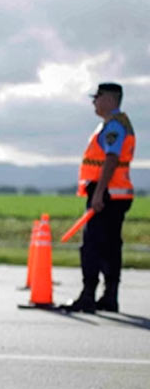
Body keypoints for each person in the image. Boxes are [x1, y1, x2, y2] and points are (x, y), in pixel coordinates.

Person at [62, 82, 135, 313]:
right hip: (116, 194)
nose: (94, 102)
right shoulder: (118, 124)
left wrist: (100, 191)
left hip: (106, 195)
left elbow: (111, 159)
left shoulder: (114, 126)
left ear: (110, 100)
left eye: (98, 97)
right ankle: (109, 297)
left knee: (92, 246)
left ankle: (88, 296)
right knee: (111, 247)